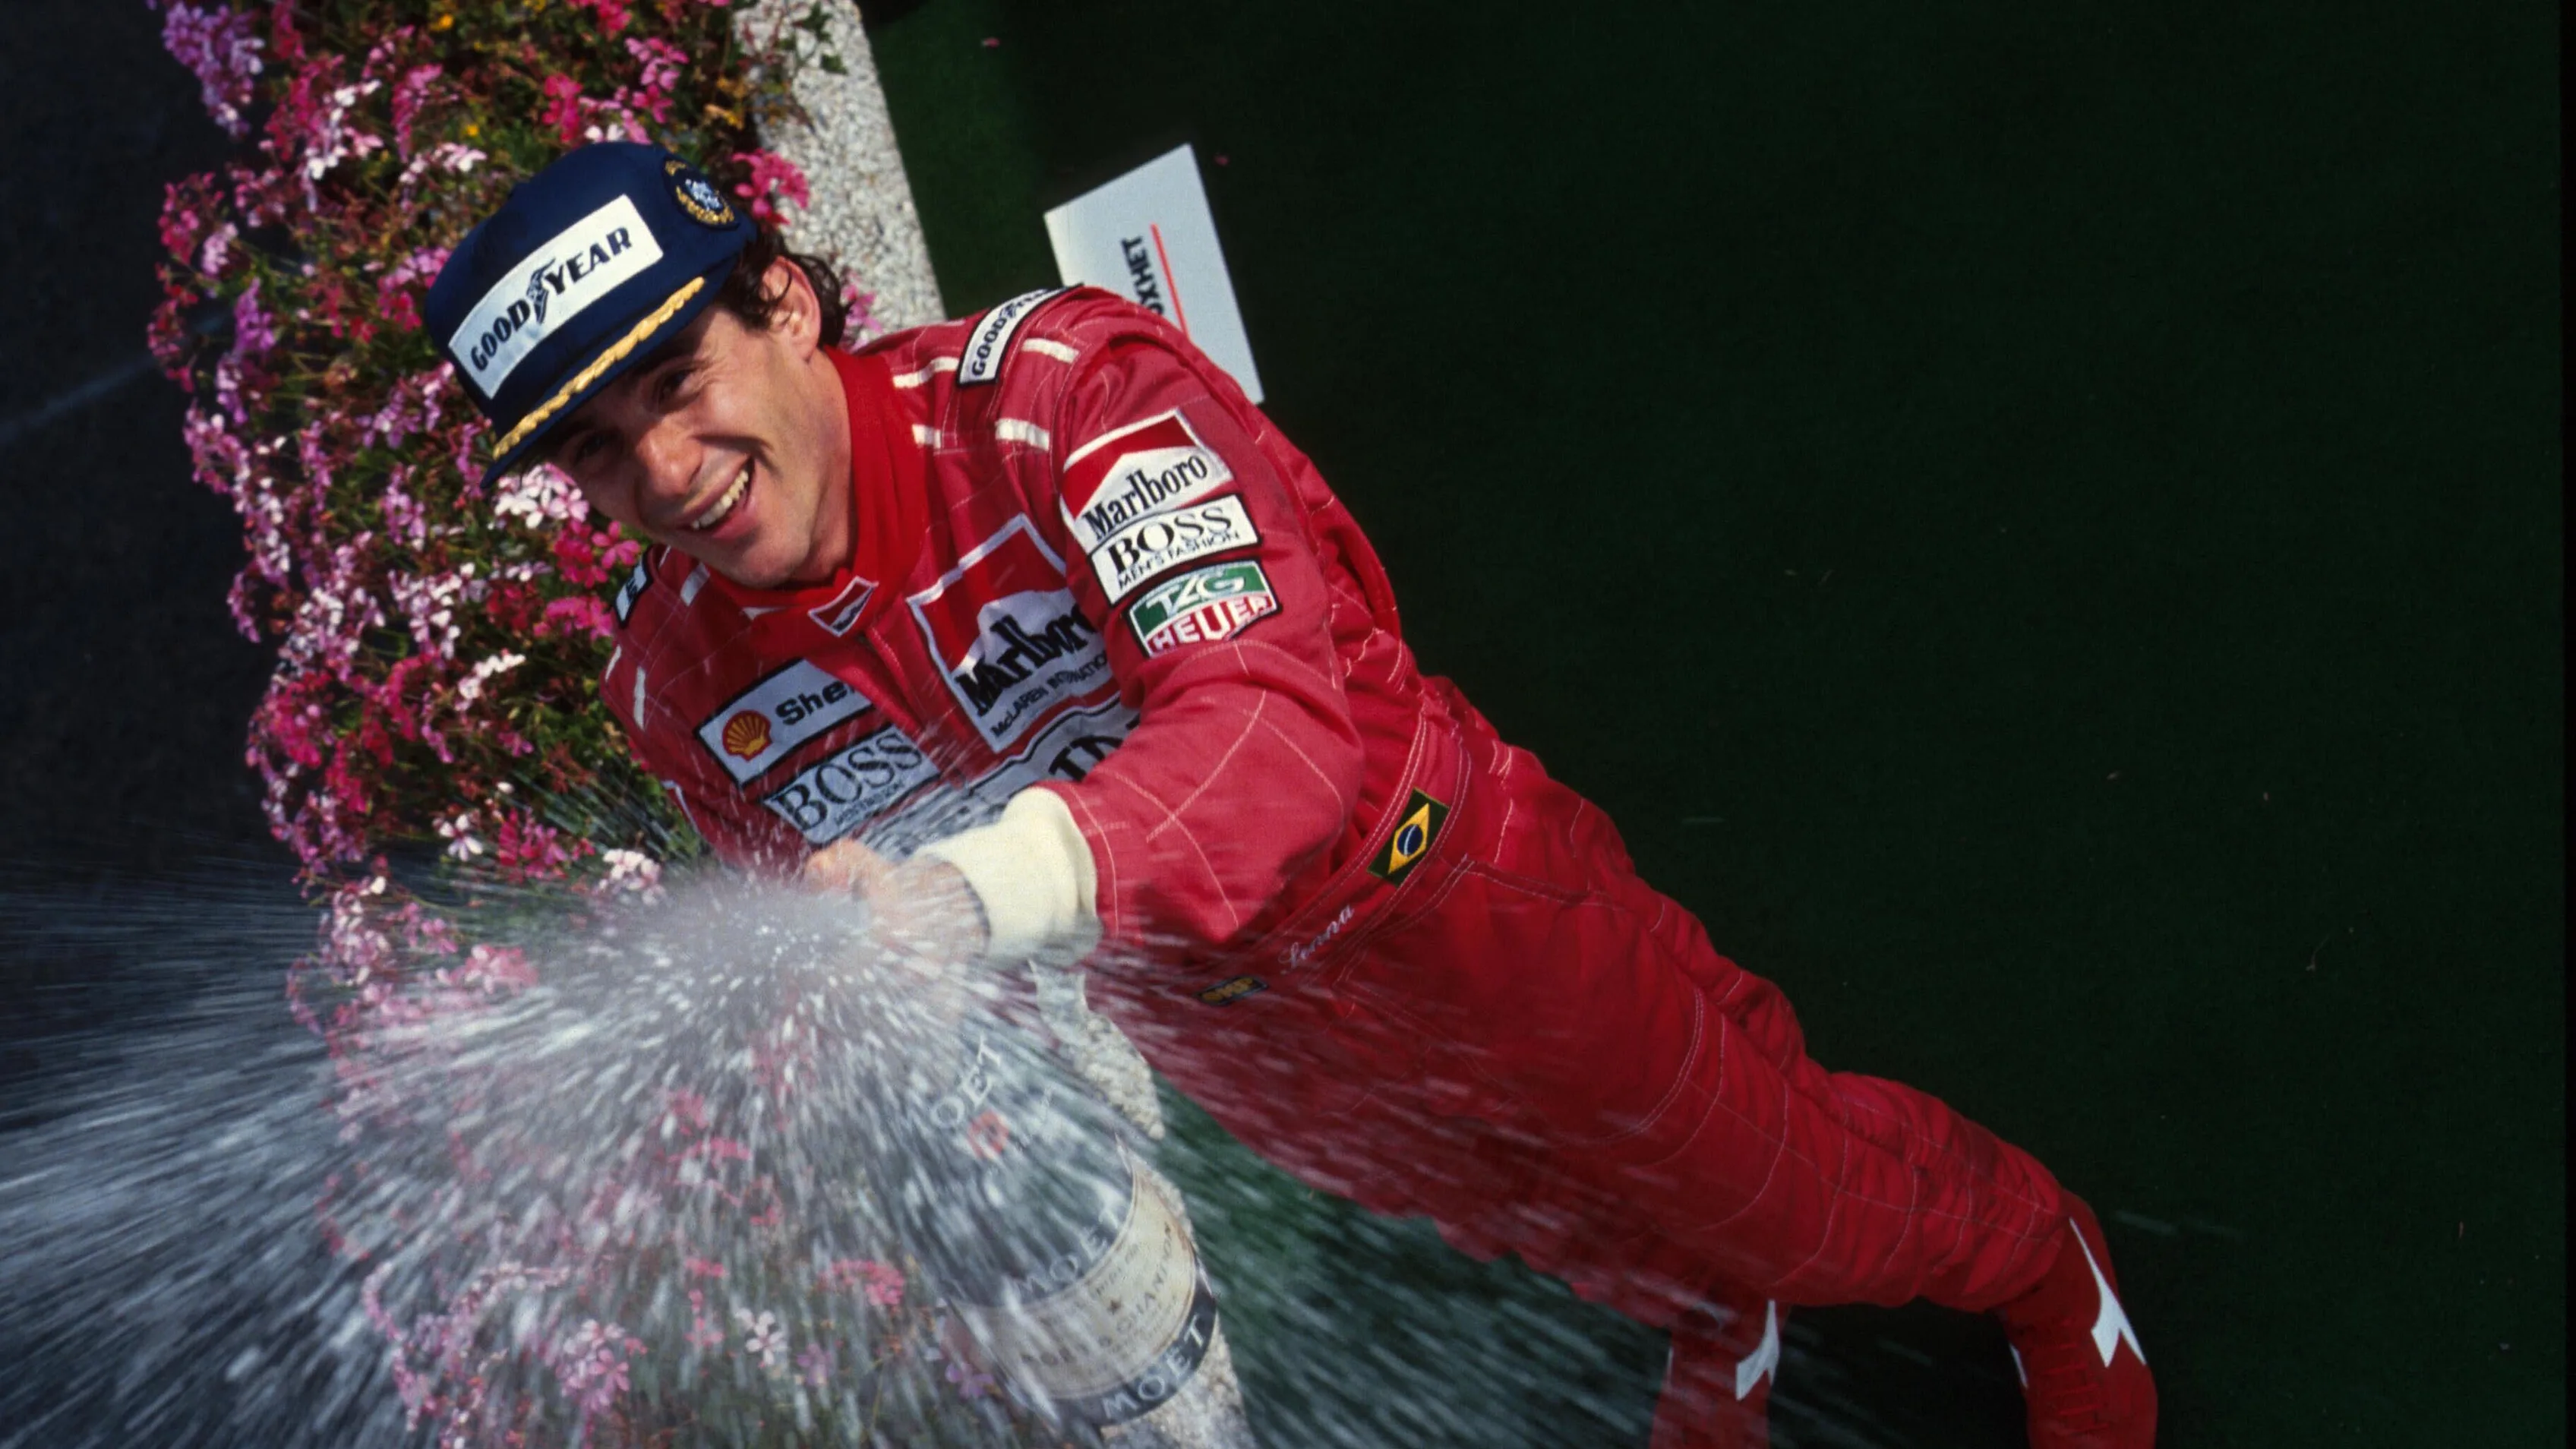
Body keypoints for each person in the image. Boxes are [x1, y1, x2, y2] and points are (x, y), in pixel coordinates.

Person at [425, 143, 2158, 1447]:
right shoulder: (674, 690)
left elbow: (1269, 733)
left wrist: (965, 899)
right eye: (591, 445)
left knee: (1783, 1184)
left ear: (786, 302)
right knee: (1525, 1220)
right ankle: (1715, 1308)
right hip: (1230, 1033)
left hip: (1447, 894)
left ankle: (2031, 1258)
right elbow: (852, 921)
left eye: (675, 379)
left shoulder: (1060, 398)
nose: (661, 470)